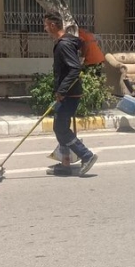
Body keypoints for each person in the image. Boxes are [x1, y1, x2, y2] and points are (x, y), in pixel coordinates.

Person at [43, 12, 98, 176]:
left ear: (53, 25)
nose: (44, 28)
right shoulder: (63, 42)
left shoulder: (64, 44)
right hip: (66, 93)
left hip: (69, 94)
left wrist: (62, 90)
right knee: (60, 127)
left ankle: (86, 155)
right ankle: (66, 162)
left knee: (60, 128)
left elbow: (75, 69)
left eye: (46, 25)